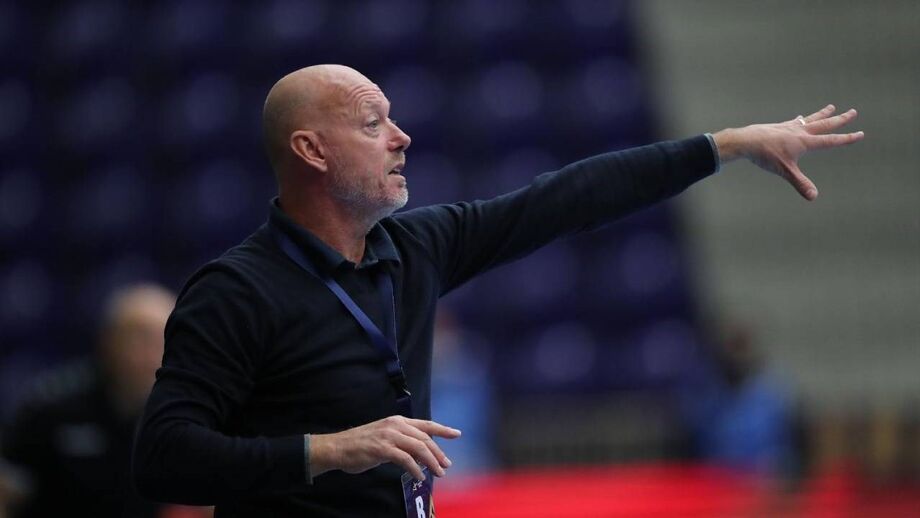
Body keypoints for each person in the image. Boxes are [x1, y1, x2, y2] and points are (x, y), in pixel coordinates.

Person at [132, 64, 863, 517]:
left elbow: (564, 199)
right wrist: (327, 450)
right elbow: (163, 457)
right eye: (373, 123)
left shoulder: (413, 249)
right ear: (311, 150)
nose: (401, 137)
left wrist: (726, 146)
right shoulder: (236, 291)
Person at [1, 284, 176, 518]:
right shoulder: (52, 405)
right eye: (141, 338)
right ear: (109, 340)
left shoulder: (181, 413)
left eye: (162, 339)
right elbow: (6, 494)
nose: (151, 353)